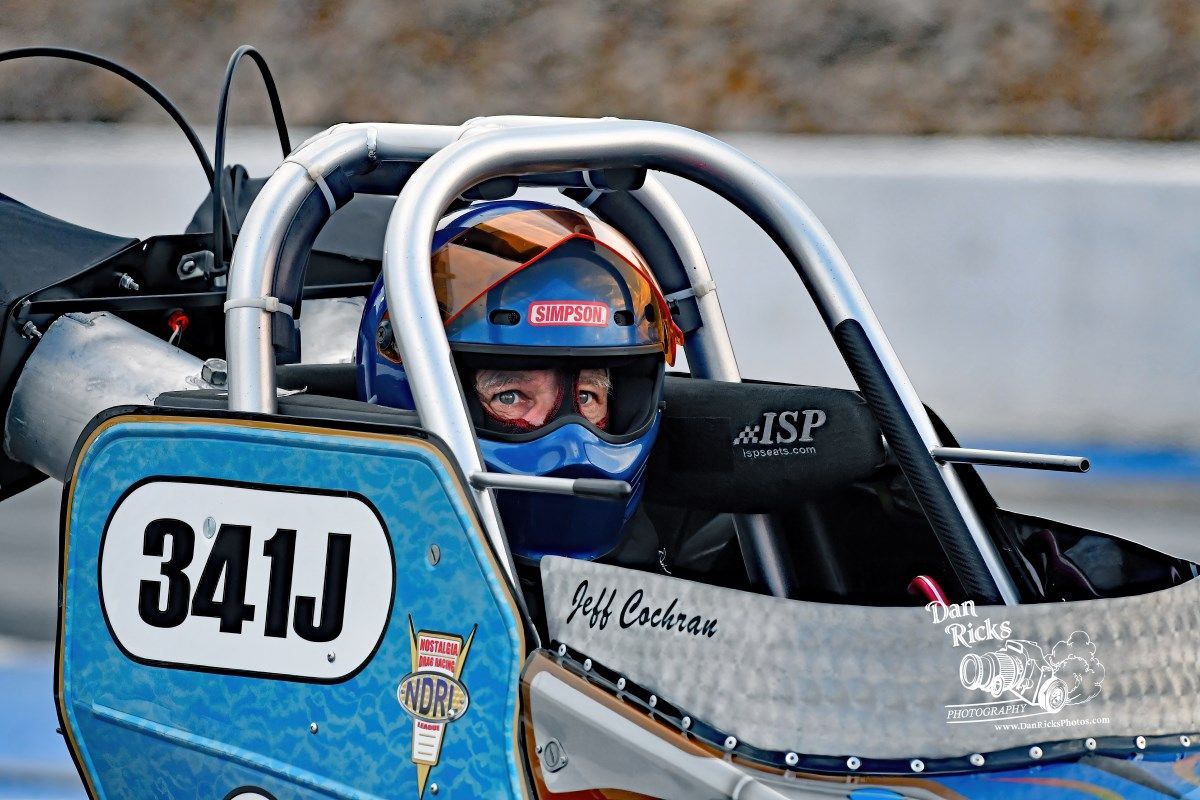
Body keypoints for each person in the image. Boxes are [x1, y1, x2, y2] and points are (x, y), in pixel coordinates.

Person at [357, 200, 683, 566]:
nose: (572, 445)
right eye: (510, 396)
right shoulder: (365, 565)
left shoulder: (677, 579)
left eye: (588, 396)